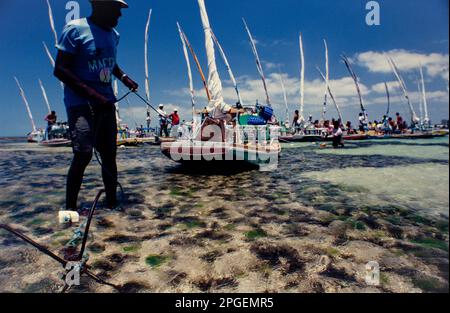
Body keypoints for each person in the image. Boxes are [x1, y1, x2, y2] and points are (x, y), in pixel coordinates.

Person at [54, 0, 138, 213]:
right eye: (116, 10)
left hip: (106, 103)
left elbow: (109, 62)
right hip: (80, 104)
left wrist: (124, 78)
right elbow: (61, 70)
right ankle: (70, 209)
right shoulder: (74, 29)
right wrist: (94, 95)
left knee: (110, 155)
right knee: (83, 154)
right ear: (100, 6)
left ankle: (112, 204)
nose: (119, 16)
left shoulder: (114, 35)